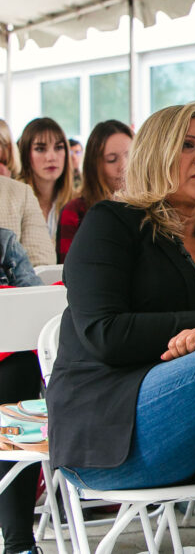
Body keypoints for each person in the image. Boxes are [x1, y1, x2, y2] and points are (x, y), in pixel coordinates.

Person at [46, 102, 195, 496]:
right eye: (188, 145)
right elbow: (104, 333)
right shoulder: (111, 222)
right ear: (156, 153)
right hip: (106, 433)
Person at [0, 230, 44, 554]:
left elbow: (38, 308)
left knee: (21, 369)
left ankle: (18, 543)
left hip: (8, 361)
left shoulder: (3, 241)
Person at [56, 120, 133, 263]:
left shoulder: (153, 208)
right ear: (95, 166)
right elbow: (66, 271)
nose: (123, 166)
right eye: (111, 159)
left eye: (129, 156)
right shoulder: (75, 211)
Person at [18, 118, 74, 241]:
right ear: (26, 155)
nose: (51, 157)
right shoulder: (14, 201)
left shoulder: (76, 203)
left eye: (58, 147)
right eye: (40, 149)